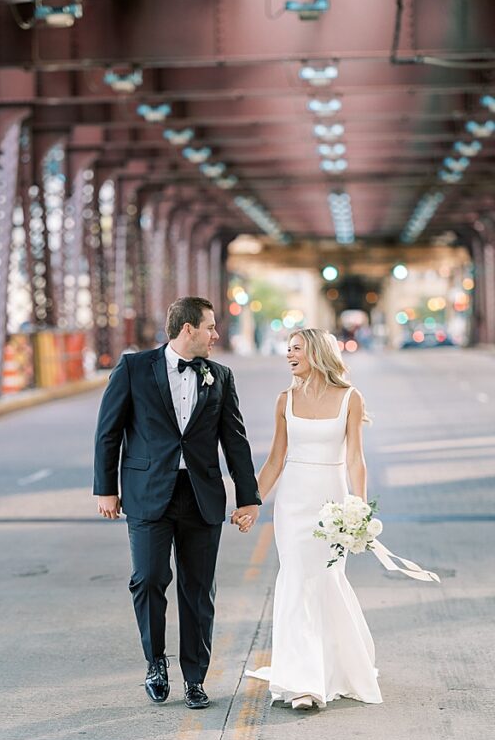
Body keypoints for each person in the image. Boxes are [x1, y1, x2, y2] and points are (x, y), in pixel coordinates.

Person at [94, 296, 262, 710]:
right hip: (148, 494)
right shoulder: (134, 368)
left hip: (201, 496)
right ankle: (155, 663)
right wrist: (105, 488)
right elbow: (108, 431)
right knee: (148, 579)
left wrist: (249, 498)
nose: (216, 334)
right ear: (188, 329)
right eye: (210, 327)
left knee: (198, 590)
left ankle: (195, 678)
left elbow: (235, 443)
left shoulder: (220, 376)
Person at [244, 328, 382, 709]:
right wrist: (251, 502)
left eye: (297, 349)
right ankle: (303, 681)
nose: (289, 355)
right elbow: (274, 460)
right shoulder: (284, 400)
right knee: (295, 580)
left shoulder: (350, 398)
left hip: (333, 501)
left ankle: (333, 667)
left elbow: (355, 458)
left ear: (317, 353)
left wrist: (360, 510)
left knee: (327, 579)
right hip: (293, 502)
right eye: (287, 349)